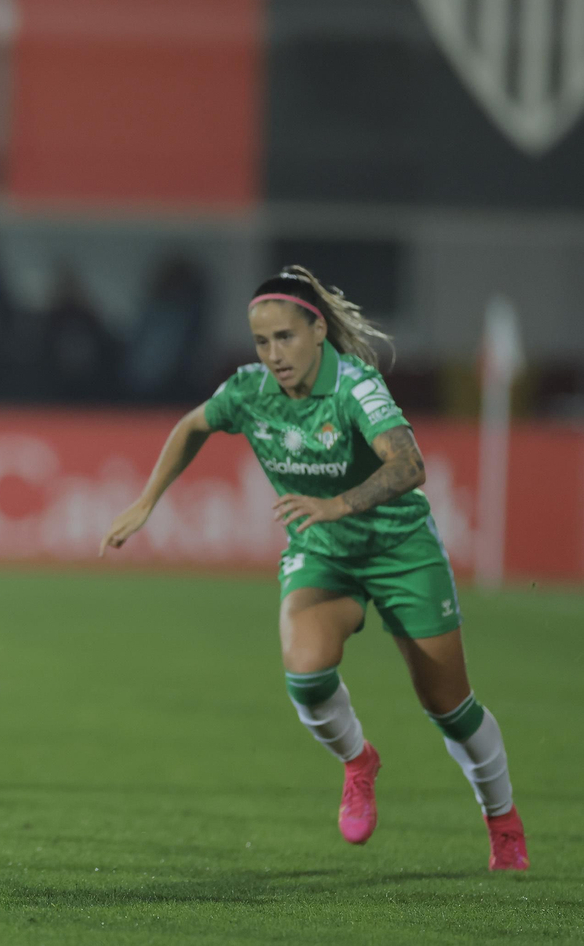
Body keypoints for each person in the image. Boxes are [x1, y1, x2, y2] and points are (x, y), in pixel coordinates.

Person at [100, 266, 527, 871]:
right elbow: (193, 424)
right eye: (262, 342)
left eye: (286, 338)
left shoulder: (354, 387)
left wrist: (336, 504)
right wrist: (146, 501)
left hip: (400, 550)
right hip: (324, 553)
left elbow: (409, 465)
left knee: (449, 707)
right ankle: (359, 762)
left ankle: (502, 819)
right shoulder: (250, 391)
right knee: (305, 673)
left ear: (318, 329)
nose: (274, 354)